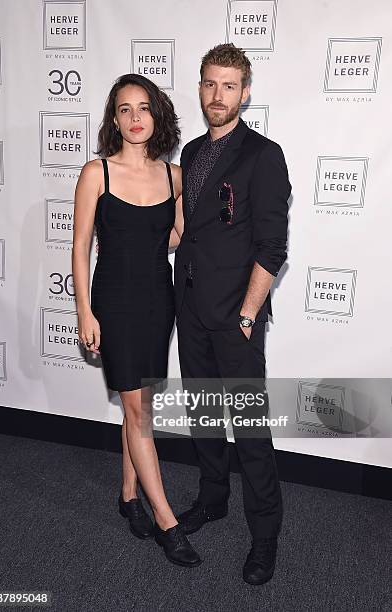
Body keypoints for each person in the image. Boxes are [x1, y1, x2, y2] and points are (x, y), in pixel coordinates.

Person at [72, 73, 200, 567]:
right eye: (124, 109)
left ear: (157, 114)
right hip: (116, 302)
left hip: (158, 299)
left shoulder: (173, 176)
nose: (134, 118)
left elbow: (174, 237)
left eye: (143, 107)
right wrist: (84, 310)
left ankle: (128, 494)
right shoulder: (96, 173)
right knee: (138, 411)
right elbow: (81, 246)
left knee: (140, 399)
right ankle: (166, 520)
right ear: (114, 118)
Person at [174, 44, 291, 585]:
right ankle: (212, 499)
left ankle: (264, 536)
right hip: (191, 312)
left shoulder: (263, 155)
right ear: (200, 88)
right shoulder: (192, 152)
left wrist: (248, 314)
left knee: (247, 430)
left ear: (245, 92)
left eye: (228, 86)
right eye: (208, 84)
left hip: (236, 319)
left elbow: (272, 247)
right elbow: (187, 232)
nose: (216, 95)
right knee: (202, 417)